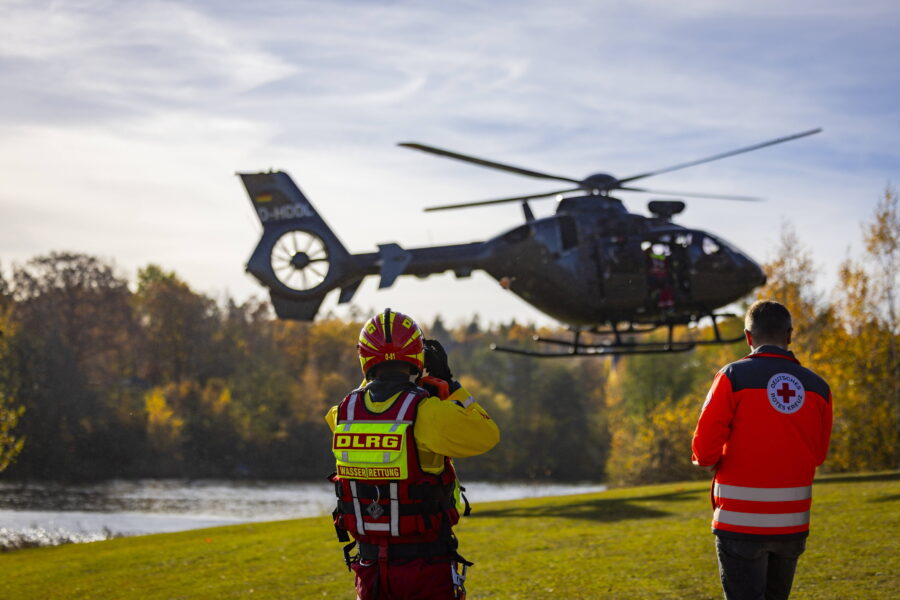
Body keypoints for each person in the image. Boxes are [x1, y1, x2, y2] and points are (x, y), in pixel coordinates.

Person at [326, 308, 500, 600]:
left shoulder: (341, 415)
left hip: (369, 570)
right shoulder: (427, 413)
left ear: (364, 359)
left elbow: (366, 397)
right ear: (418, 357)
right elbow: (488, 435)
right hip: (424, 568)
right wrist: (451, 384)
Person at [691, 300, 833, 600]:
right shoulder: (818, 388)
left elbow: (704, 451)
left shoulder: (732, 377)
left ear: (748, 337)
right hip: (792, 524)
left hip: (740, 523)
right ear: (790, 335)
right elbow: (818, 454)